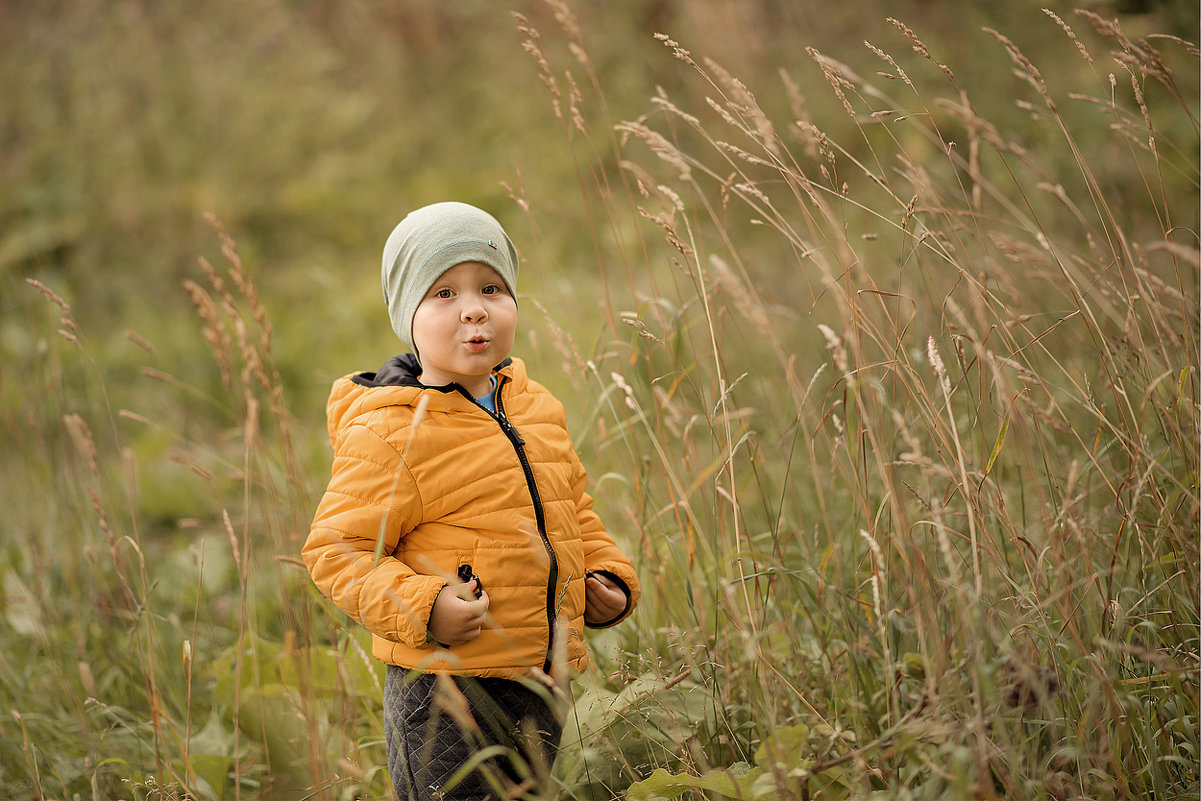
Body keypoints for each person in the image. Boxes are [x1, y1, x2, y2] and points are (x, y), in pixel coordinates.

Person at [302, 201, 640, 800]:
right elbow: (335, 550)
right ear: (407, 316)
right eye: (443, 294)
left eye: (491, 287)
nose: (474, 308)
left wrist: (606, 575)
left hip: (540, 676)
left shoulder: (535, 407)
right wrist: (425, 606)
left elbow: (572, 507)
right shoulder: (393, 431)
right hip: (443, 688)